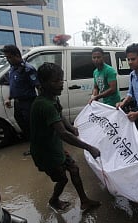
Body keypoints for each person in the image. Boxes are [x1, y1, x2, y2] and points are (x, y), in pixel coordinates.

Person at [30, 62, 101, 213]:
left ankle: (84, 201)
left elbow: (60, 115)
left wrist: (71, 127)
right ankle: (54, 200)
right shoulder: (44, 105)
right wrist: (89, 148)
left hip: (54, 146)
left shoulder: (53, 98)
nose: (61, 84)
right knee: (62, 179)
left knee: (74, 169)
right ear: (43, 83)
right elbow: (62, 134)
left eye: (61, 79)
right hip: (46, 153)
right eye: (55, 81)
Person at [2, 45, 39, 156]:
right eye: (6, 57)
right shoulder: (13, 68)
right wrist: (9, 98)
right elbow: (13, 85)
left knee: (32, 128)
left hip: (28, 103)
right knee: (25, 128)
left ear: (17, 56)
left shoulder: (28, 69)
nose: (8, 60)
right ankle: (34, 147)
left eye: (9, 57)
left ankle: (38, 149)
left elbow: (38, 86)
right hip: (18, 104)